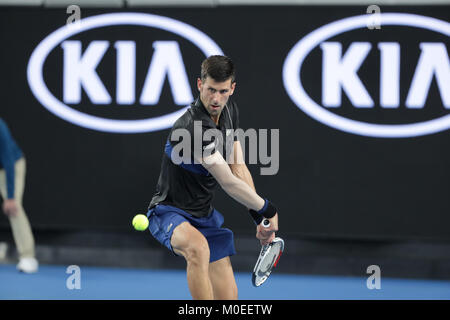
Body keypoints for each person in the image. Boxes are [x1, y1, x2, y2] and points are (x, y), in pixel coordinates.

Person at [147, 55, 279, 300]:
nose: (216, 99)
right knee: (198, 249)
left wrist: (258, 217)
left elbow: (238, 167)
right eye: (210, 90)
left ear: (232, 89)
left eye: (222, 91)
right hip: (169, 212)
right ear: (199, 85)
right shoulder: (192, 128)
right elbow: (228, 180)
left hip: (204, 218)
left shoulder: (229, 112)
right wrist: (269, 210)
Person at [0, 118, 38, 273]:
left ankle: (28, 257)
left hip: (11, 166)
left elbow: (8, 161)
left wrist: (10, 197)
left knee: (14, 208)